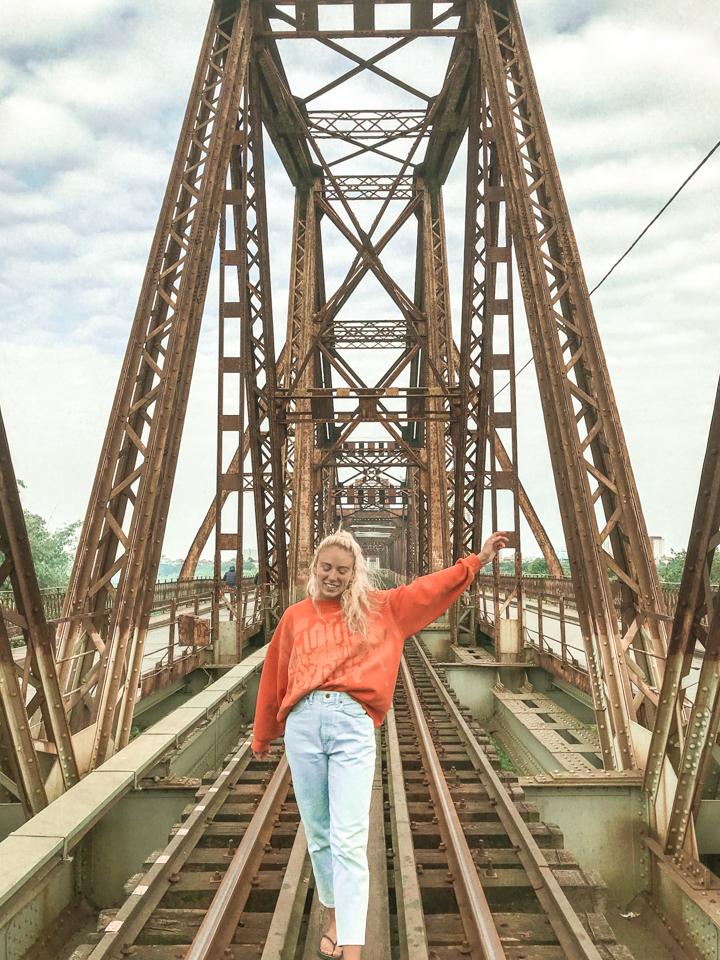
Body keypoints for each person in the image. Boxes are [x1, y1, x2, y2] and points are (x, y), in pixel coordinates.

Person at [251, 529, 508, 960]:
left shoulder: (383, 608)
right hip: (304, 723)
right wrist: (263, 734)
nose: (333, 576)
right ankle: (334, 918)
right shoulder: (296, 616)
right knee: (319, 834)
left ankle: (352, 948)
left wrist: (476, 561)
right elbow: (275, 675)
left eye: (342, 570)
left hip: (352, 723)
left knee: (349, 837)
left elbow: (431, 589)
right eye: (326, 567)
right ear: (314, 568)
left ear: (355, 574)